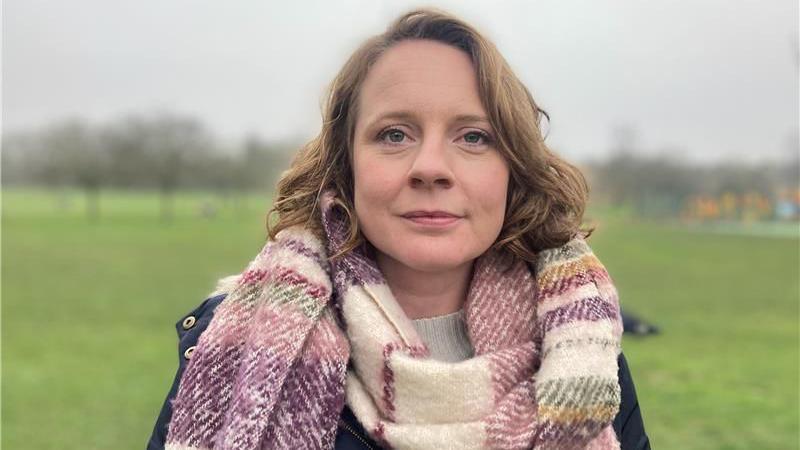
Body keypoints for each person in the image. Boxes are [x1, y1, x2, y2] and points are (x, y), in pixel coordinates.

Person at [147, 8, 650, 450]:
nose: (431, 167)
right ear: (346, 167)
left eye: (474, 136)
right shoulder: (237, 337)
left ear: (513, 170)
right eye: (394, 134)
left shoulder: (581, 347)